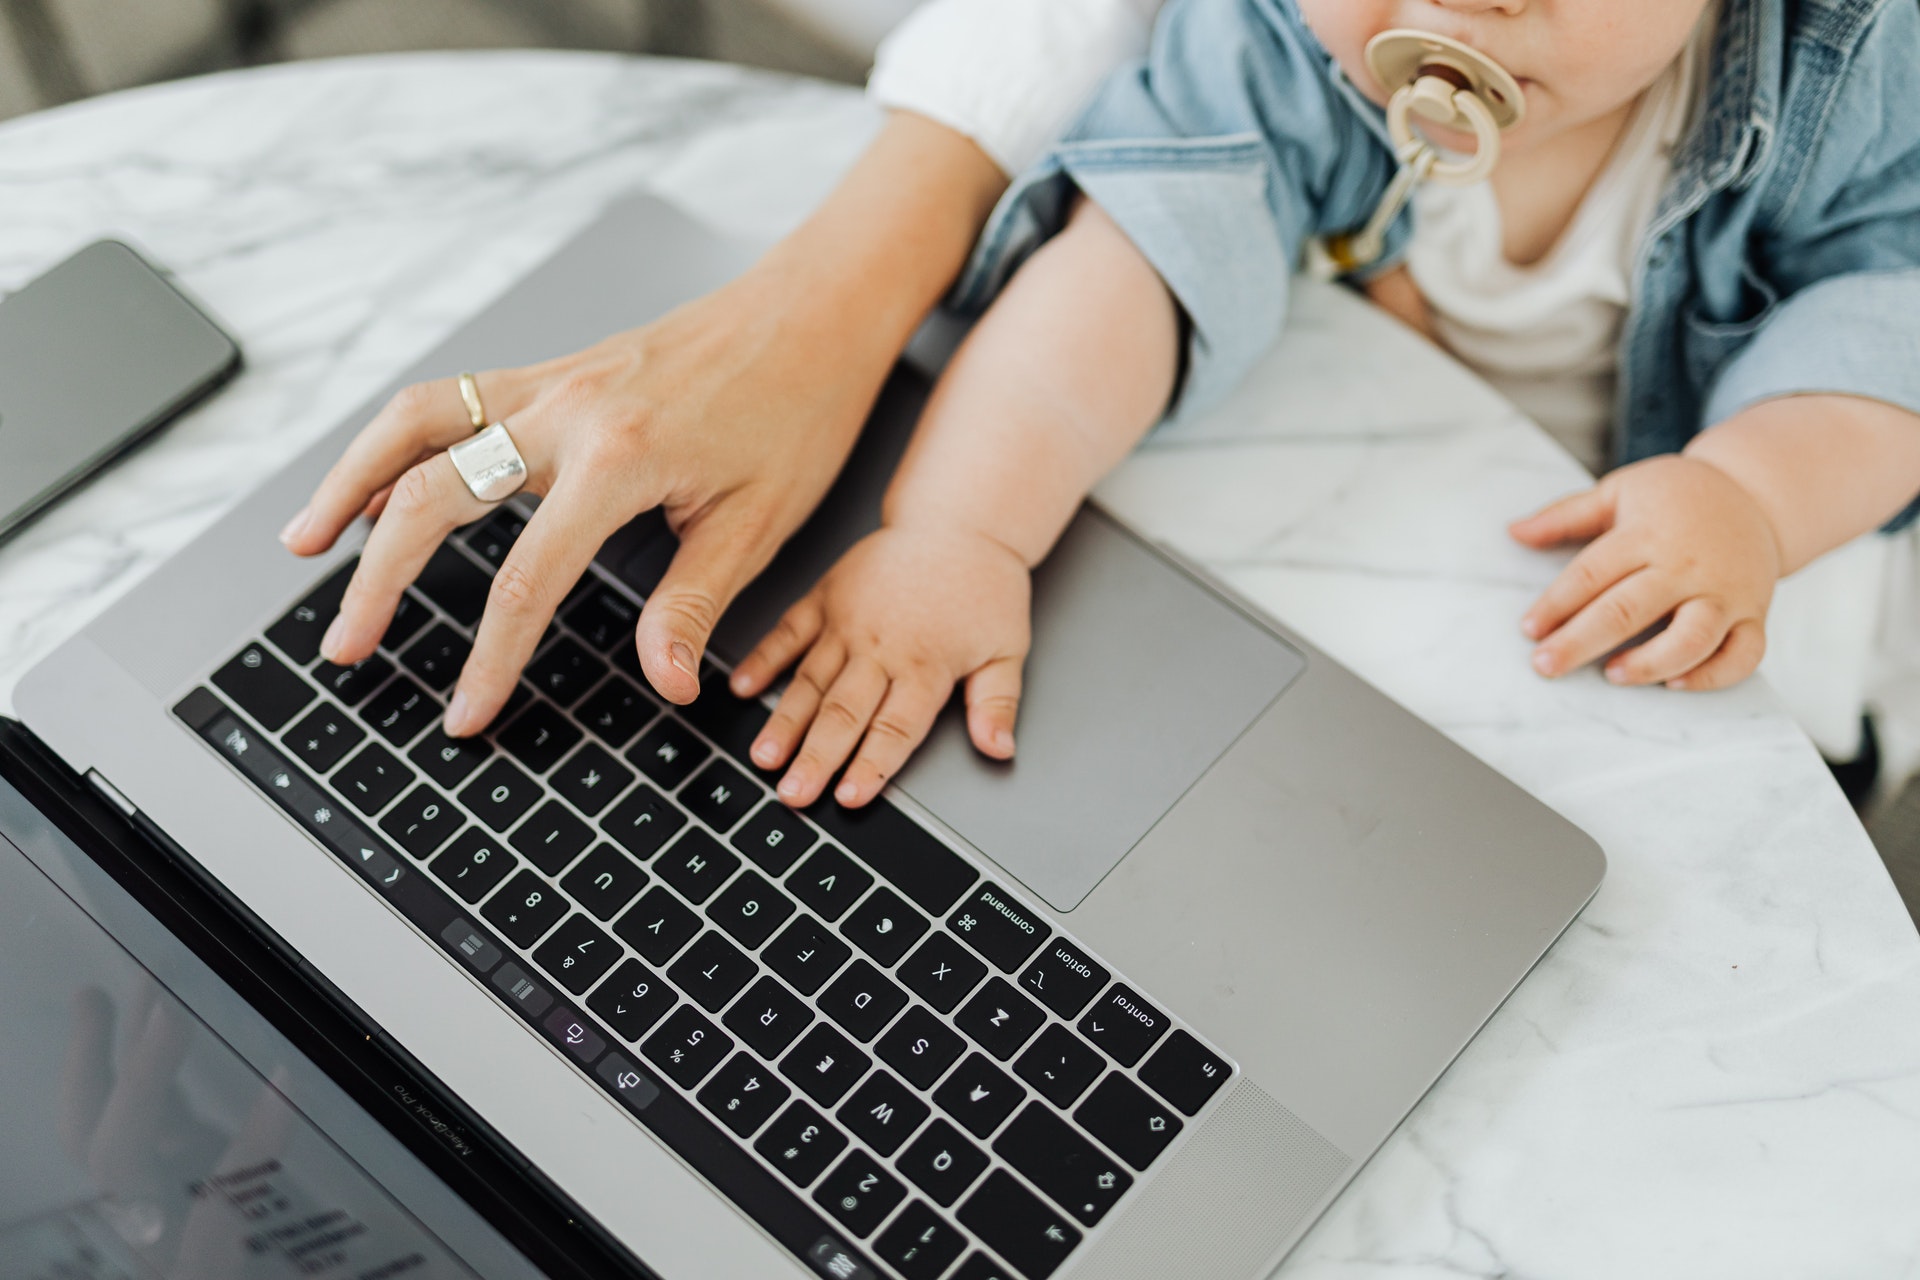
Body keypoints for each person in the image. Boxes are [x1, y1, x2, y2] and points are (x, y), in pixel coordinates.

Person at [286, 0, 1920, 811]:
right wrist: (959, 531)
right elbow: (1136, 248)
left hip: (1701, 565)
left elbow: (1892, 310)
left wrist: (1756, 496)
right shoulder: (1286, 41)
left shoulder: (1852, 80)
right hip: (1361, 520)